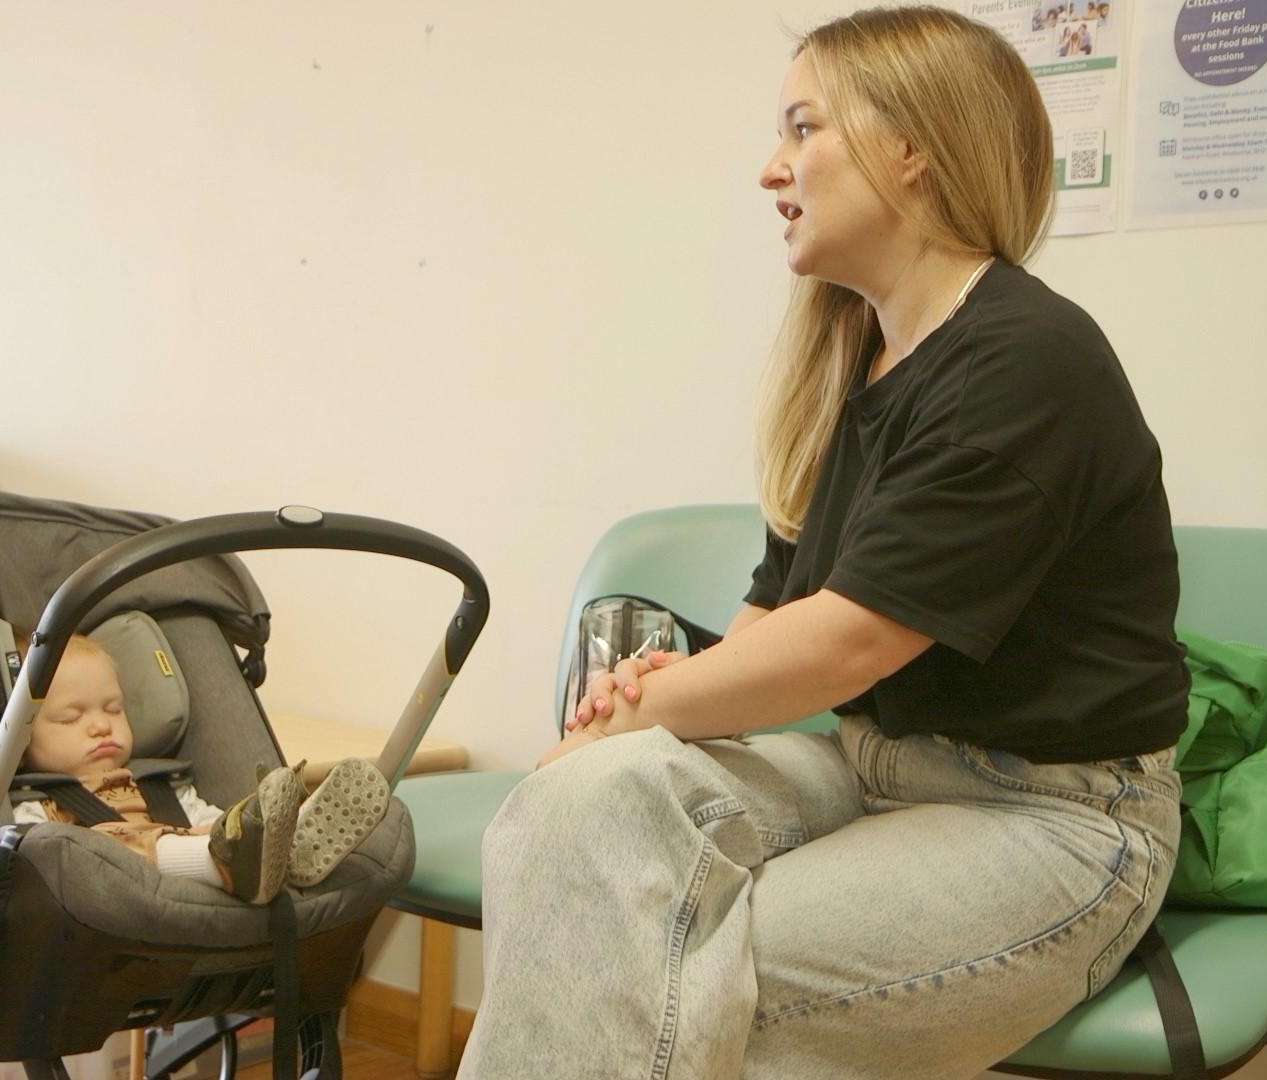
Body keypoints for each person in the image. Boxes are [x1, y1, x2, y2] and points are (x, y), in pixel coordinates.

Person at [457, 7, 1187, 1079]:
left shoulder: (1028, 361)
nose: (772, 168)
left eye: (804, 128)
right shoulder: (853, 369)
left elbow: (849, 647)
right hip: (878, 771)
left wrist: (650, 711)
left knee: (661, 955)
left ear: (912, 147)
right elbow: (782, 609)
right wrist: (659, 703)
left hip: (1053, 821)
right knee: (573, 808)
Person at [9, 632, 390, 904]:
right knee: (81, 850)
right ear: (20, 740)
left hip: (185, 866)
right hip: (115, 888)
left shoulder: (158, 783)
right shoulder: (35, 806)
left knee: (228, 825)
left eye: (113, 708)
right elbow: (46, 865)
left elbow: (202, 817)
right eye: (71, 718)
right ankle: (229, 866)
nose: (101, 725)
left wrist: (223, 829)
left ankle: (286, 841)